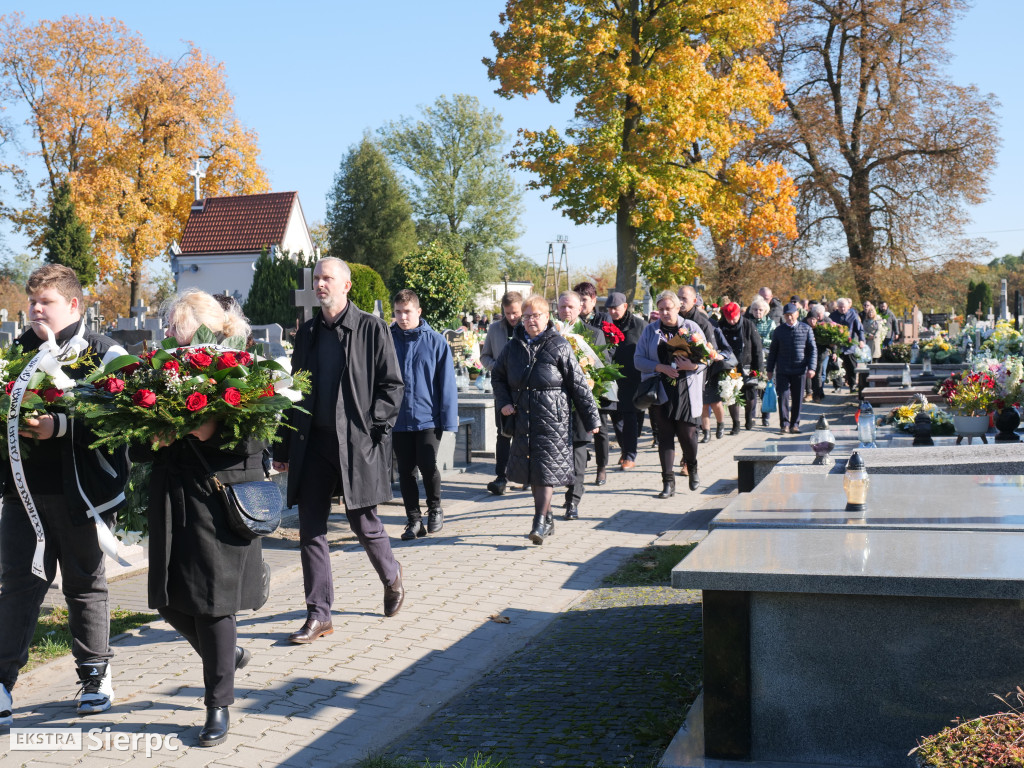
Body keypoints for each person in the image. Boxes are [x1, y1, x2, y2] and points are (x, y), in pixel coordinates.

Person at [132, 289, 265, 747]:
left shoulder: (238, 371)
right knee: (169, 600)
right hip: (173, 498)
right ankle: (229, 654)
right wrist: (153, 432)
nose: (169, 336)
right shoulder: (160, 370)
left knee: (212, 606)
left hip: (216, 501)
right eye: (169, 329)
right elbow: (135, 441)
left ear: (203, 330)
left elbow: (254, 444)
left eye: (177, 330)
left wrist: (204, 430)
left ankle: (218, 705)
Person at [0, 265, 131, 727]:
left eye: (46, 302)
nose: (36, 309)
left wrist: (62, 426)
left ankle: (95, 677)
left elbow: (125, 408)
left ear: (74, 305)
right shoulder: (18, 352)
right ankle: (2, 683)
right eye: (32, 301)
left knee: (84, 586)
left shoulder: (102, 350)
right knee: (18, 587)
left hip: (83, 496)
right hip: (24, 495)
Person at [272, 257, 406, 646]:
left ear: (346, 286)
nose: (319, 284)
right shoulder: (308, 332)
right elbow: (292, 392)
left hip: (356, 444)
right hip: (312, 444)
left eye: (327, 278)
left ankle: (392, 576)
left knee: (363, 523)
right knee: (310, 528)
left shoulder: (371, 328)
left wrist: (373, 431)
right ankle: (319, 614)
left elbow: (392, 386)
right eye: (316, 279)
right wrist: (282, 445)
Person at [492, 295, 600, 543]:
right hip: (524, 419)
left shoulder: (559, 345)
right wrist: (505, 402)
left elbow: (578, 385)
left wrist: (592, 419)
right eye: (527, 316)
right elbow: (497, 377)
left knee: (545, 471)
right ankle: (547, 517)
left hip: (553, 420)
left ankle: (538, 522)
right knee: (533, 470)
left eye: (536, 315)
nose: (531, 320)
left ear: (547, 317)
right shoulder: (513, 347)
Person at [390, 289, 459, 541]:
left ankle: (435, 508)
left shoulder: (436, 341)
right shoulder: (387, 338)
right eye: (398, 312)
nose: (402, 317)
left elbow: (446, 384)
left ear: (418, 312)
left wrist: (449, 420)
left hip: (428, 418)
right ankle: (413, 520)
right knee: (405, 471)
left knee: (427, 465)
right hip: (398, 419)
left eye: (407, 312)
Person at [634, 290, 708, 498]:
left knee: (688, 434)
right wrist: (659, 367)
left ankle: (692, 467)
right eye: (661, 309)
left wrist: (692, 366)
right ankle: (668, 482)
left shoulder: (691, 328)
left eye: (669, 308)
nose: (665, 313)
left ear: (678, 308)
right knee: (665, 436)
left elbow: (707, 358)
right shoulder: (650, 331)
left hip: (686, 389)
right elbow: (638, 360)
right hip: (660, 390)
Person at [554, 290, 606, 518]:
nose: (566, 311)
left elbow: (602, 369)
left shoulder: (593, 335)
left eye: (571, 307)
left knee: (579, 452)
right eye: (562, 307)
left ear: (580, 309)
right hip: (554, 404)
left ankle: (573, 500)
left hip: (580, 404)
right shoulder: (550, 334)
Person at [480, 292, 523, 495]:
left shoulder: (527, 328)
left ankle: (527, 475)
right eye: (507, 313)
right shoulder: (495, 329)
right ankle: (501, 476)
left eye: (515, 313)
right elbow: (485, 356)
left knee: (525, 434)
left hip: (524, 389)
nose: (512, 317)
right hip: (503, 389)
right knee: (504, 433)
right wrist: (497, 366)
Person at [573, 281, 612, 485]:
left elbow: (607, 353)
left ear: (593, 300)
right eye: (577, 300)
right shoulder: (571, 323)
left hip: (594, 381)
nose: (581, 304)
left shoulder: (602, 320)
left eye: (584, 300)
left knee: (600, 427)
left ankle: (602, 467)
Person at [605, 292, 645, 468]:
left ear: (625, 306)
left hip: (632, 378)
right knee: (615, 418)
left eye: (616, 308)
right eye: (610, 308)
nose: (613, 312)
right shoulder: (605, 325)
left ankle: (630, 455)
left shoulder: (639, 326)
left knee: (629, 417)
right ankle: (624, 449)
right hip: (611, 377)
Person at [767, 303, 818, 434]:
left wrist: (811, 368)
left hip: (799, 369)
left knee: (797, 397)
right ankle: (784, 424)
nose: (789, 318)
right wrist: (770, 369)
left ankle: (794, 424)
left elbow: (812, 350)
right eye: (787, 315)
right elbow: (773, 351)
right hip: (783, 369)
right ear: (784, 316)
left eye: (791, 315)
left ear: (797, 314)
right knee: (783, 396)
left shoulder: (806, 329)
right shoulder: (779, 330)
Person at [717, 301, 764, 432]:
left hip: (747, 366)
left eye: (734, 318)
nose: (732, 322)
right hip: (729, 367)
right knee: (731, 395)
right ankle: (735, 423)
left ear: (739, 315)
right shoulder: (721, 326)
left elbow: (757, 348)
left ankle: (749, 418)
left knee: (749, 395)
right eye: (729, 319)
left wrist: (758, 370)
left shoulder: (748, 325)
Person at [745, 296, 776, 427]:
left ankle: (766, 417)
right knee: (752, 389)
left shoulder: (770, 323)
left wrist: (759, 341)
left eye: (760, 310)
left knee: (765, 390)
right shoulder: (747, 322)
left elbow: (774, 340)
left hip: (767, 359)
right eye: (755, 309)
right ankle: (751, 417)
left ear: (766, 311)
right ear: (751, 310)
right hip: (752, 359)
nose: (758, 312)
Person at [829, 298, 865, 390]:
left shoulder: (853, 315)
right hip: (836, 345)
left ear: (848, 307)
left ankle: (852, 385)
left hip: (849, 345)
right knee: (835, 365)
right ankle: (837, 386)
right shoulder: (832, 316)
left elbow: (859, 329)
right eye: (840, 307)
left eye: (844, 307)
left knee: (851, 367)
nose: (842, 309)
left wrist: (861, 340)